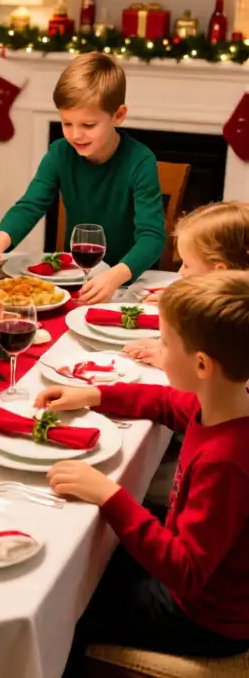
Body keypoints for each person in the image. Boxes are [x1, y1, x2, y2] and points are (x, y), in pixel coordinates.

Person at [35, 271, 249, 672]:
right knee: (83, 561)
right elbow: (167, 402)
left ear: (201, 364)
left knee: (65, 607)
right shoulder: (226, 406)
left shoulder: (226, 461)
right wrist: (96, 393)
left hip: (203, 616)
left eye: (166, 344)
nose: (159, 351)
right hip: (199, 580)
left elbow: (185, 570)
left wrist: (109, 495)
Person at [0, 53, 166, 304]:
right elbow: (31, 205)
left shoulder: (140, 161)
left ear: (118, 115)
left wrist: (116, 275)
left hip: (124, 282)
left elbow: (152, 237)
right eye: (66, 123)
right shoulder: (59, 152)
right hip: (74, 279)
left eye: (88, 125)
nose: (76, 135)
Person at [124, 201, 249, 368]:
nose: (180, 272)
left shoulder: (237, 320)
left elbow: (221, 374)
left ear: (219, 271)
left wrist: (172, 362)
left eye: (187, 264)